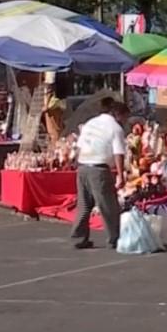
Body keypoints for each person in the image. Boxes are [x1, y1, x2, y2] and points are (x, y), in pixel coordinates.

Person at [71, 101, 129, 250]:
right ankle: (113, 238)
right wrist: (121, 175)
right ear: (118, 114)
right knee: (108, 205)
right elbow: (119, 153)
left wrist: (77, 163)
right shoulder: (116, 129)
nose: (125, 121)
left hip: (83, 166)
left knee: (84, 204)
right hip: (99, 169)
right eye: (125, 117)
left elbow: (79, 147)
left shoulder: (91, 123)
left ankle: (80, 235)